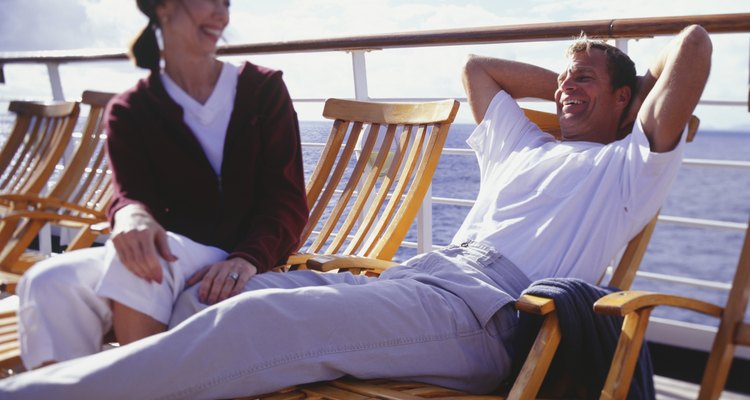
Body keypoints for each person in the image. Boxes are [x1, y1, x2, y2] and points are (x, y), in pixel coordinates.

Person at [0, 24, 711, 399]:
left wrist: (631, 96)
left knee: (254, 323)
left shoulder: (629, 166)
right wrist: (570, 87)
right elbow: (477, 69)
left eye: (585, 81)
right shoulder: (521, 142)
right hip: (413, 282)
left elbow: (695, 46)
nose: (563, 89)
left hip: (485, 312)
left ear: (628, 101)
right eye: (562, 80)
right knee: (217, 295)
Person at [14, 0, 308, 370]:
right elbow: (131, 194)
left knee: (144, 264)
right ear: (165, 6)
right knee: (46, 281)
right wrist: (131, 215)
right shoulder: (131, 109)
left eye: (227, 2)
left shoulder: (262, 89)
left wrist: (248, 257)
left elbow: (287, 200)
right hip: (173, 255)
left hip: (237, 254)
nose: (222, 13)